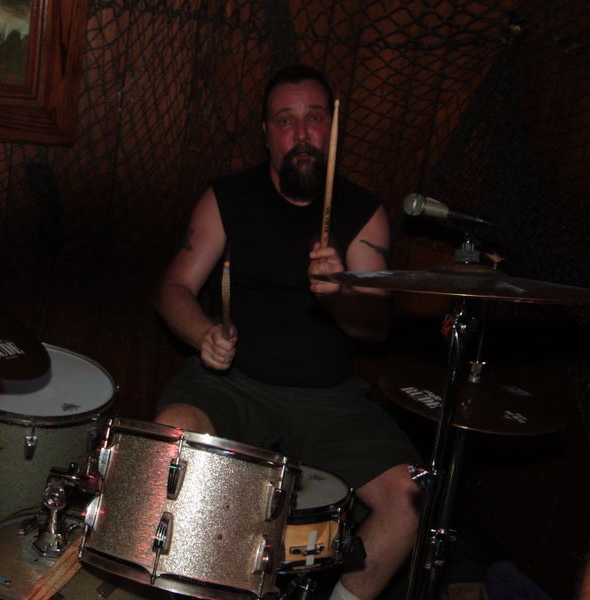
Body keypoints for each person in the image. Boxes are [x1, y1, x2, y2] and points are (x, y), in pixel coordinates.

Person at [154, 65, 421, 600]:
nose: (301, 134)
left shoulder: (362, 213)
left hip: (331, 399)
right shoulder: (228, 197)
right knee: (173, 435)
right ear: (266, 133)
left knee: (408, 499)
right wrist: (203, 333)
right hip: (235, 383)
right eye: (285, 120)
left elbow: (375, 328)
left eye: (314, 118)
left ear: (332, 129)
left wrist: (340, 293)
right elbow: (173, 288)